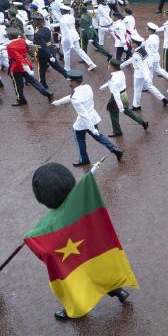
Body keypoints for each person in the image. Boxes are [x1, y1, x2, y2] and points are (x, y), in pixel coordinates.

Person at [30, 162, 130, 320]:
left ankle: (75, 308)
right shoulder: (83, 205)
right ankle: (118, 290)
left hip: (73, 258)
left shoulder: (51, 225)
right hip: (90, 248)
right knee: (98, 269)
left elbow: (46, 252)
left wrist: (31, 238)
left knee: (72, 279)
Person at [51, 69, 124, 166]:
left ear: (74, 82)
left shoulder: (75, 97)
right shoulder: (87, 87)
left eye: (70, 80)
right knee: (99, 137)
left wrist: (92, 129)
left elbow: (83, 114)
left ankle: (83, 159)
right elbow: (71, 97)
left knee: (80, 140)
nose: (68, 81)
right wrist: (58, 102)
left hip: (83, 122)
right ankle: (114, 149)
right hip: (93, 117)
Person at [100, 59, 148, 137]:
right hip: (124, 94)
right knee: (128, 111)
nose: (108, 67)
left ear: (113, 68)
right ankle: (142, 122)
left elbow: (116, 94)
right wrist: (104, 86)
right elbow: (112, 82)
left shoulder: (113, 78)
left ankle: (117, 131)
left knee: (113, 113)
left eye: (109, 65)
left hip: (117, 98)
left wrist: (120, 107)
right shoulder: (120, 73)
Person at [5, 28, 54, 106]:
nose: (7, 35)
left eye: (8, 34)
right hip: (25, 63)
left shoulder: (10, 46)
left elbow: (18, 58)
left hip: (16, 66)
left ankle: (21, 100)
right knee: (33, 81)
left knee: (18, 85)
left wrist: (27, 69)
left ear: (10, 36)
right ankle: (47, 92)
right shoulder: (22, 40)